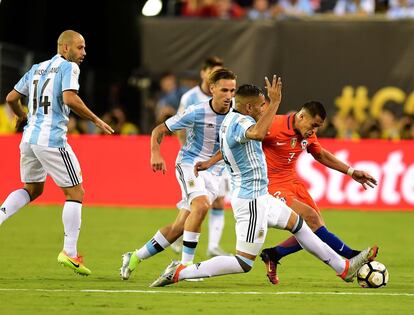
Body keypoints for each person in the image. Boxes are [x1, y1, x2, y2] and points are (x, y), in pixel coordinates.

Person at [149, 77, 378, 287]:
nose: (265, 109)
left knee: (300, 225)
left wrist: (210, 162)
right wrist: (276, 102)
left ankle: (344, 268)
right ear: (249, 107)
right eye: (261, 105)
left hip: (260, 196)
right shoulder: (239, 123)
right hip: (250, 202)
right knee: (243, 262)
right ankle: (180, 272)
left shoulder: (236, 119)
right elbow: (258, 133)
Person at [0, 30, 114, 276]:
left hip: (29, 139)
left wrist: (22, 117)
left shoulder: (37, 68)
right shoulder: (69, 68)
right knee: (76, 192)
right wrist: (96, 120)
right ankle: (70, 252)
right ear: (65, 48)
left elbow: (10, 98)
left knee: (33, 189)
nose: (83, 53)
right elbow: (70, 99)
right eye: (79, 47)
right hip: (51, 140)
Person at [119, 68, 236, 280]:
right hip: (189, 165)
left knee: (179, 228)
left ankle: (134, 257)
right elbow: (159, 130)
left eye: (232, 91)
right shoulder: (196, 111)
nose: (229, 96)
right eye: (224, 90)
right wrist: (156, 154)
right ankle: (185, 267)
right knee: (201, 206)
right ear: (212, 89)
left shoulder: (236, 113)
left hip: (214, 173)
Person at [260, 101, 378, 284]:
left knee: (316, 228)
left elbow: (320, 154)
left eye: (318, 127)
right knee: (310, 217)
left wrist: (352, 172)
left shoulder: (308, 134)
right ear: (301, 116)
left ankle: (274, 254)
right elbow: (248, 138)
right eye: (313, 125)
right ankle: (351, 255)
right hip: (271, 185)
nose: (314, 131)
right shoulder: (274, 125)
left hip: (293, 183)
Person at [172, 56, 229, 257]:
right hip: (194, 161)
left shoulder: (228, 99)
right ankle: (178, 235)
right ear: (203, 73)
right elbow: (179, 126)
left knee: (219, 201)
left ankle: (213, 245)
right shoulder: (190, 98)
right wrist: (187, 154)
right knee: (194, 205)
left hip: (219, 162)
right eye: (213, 71)